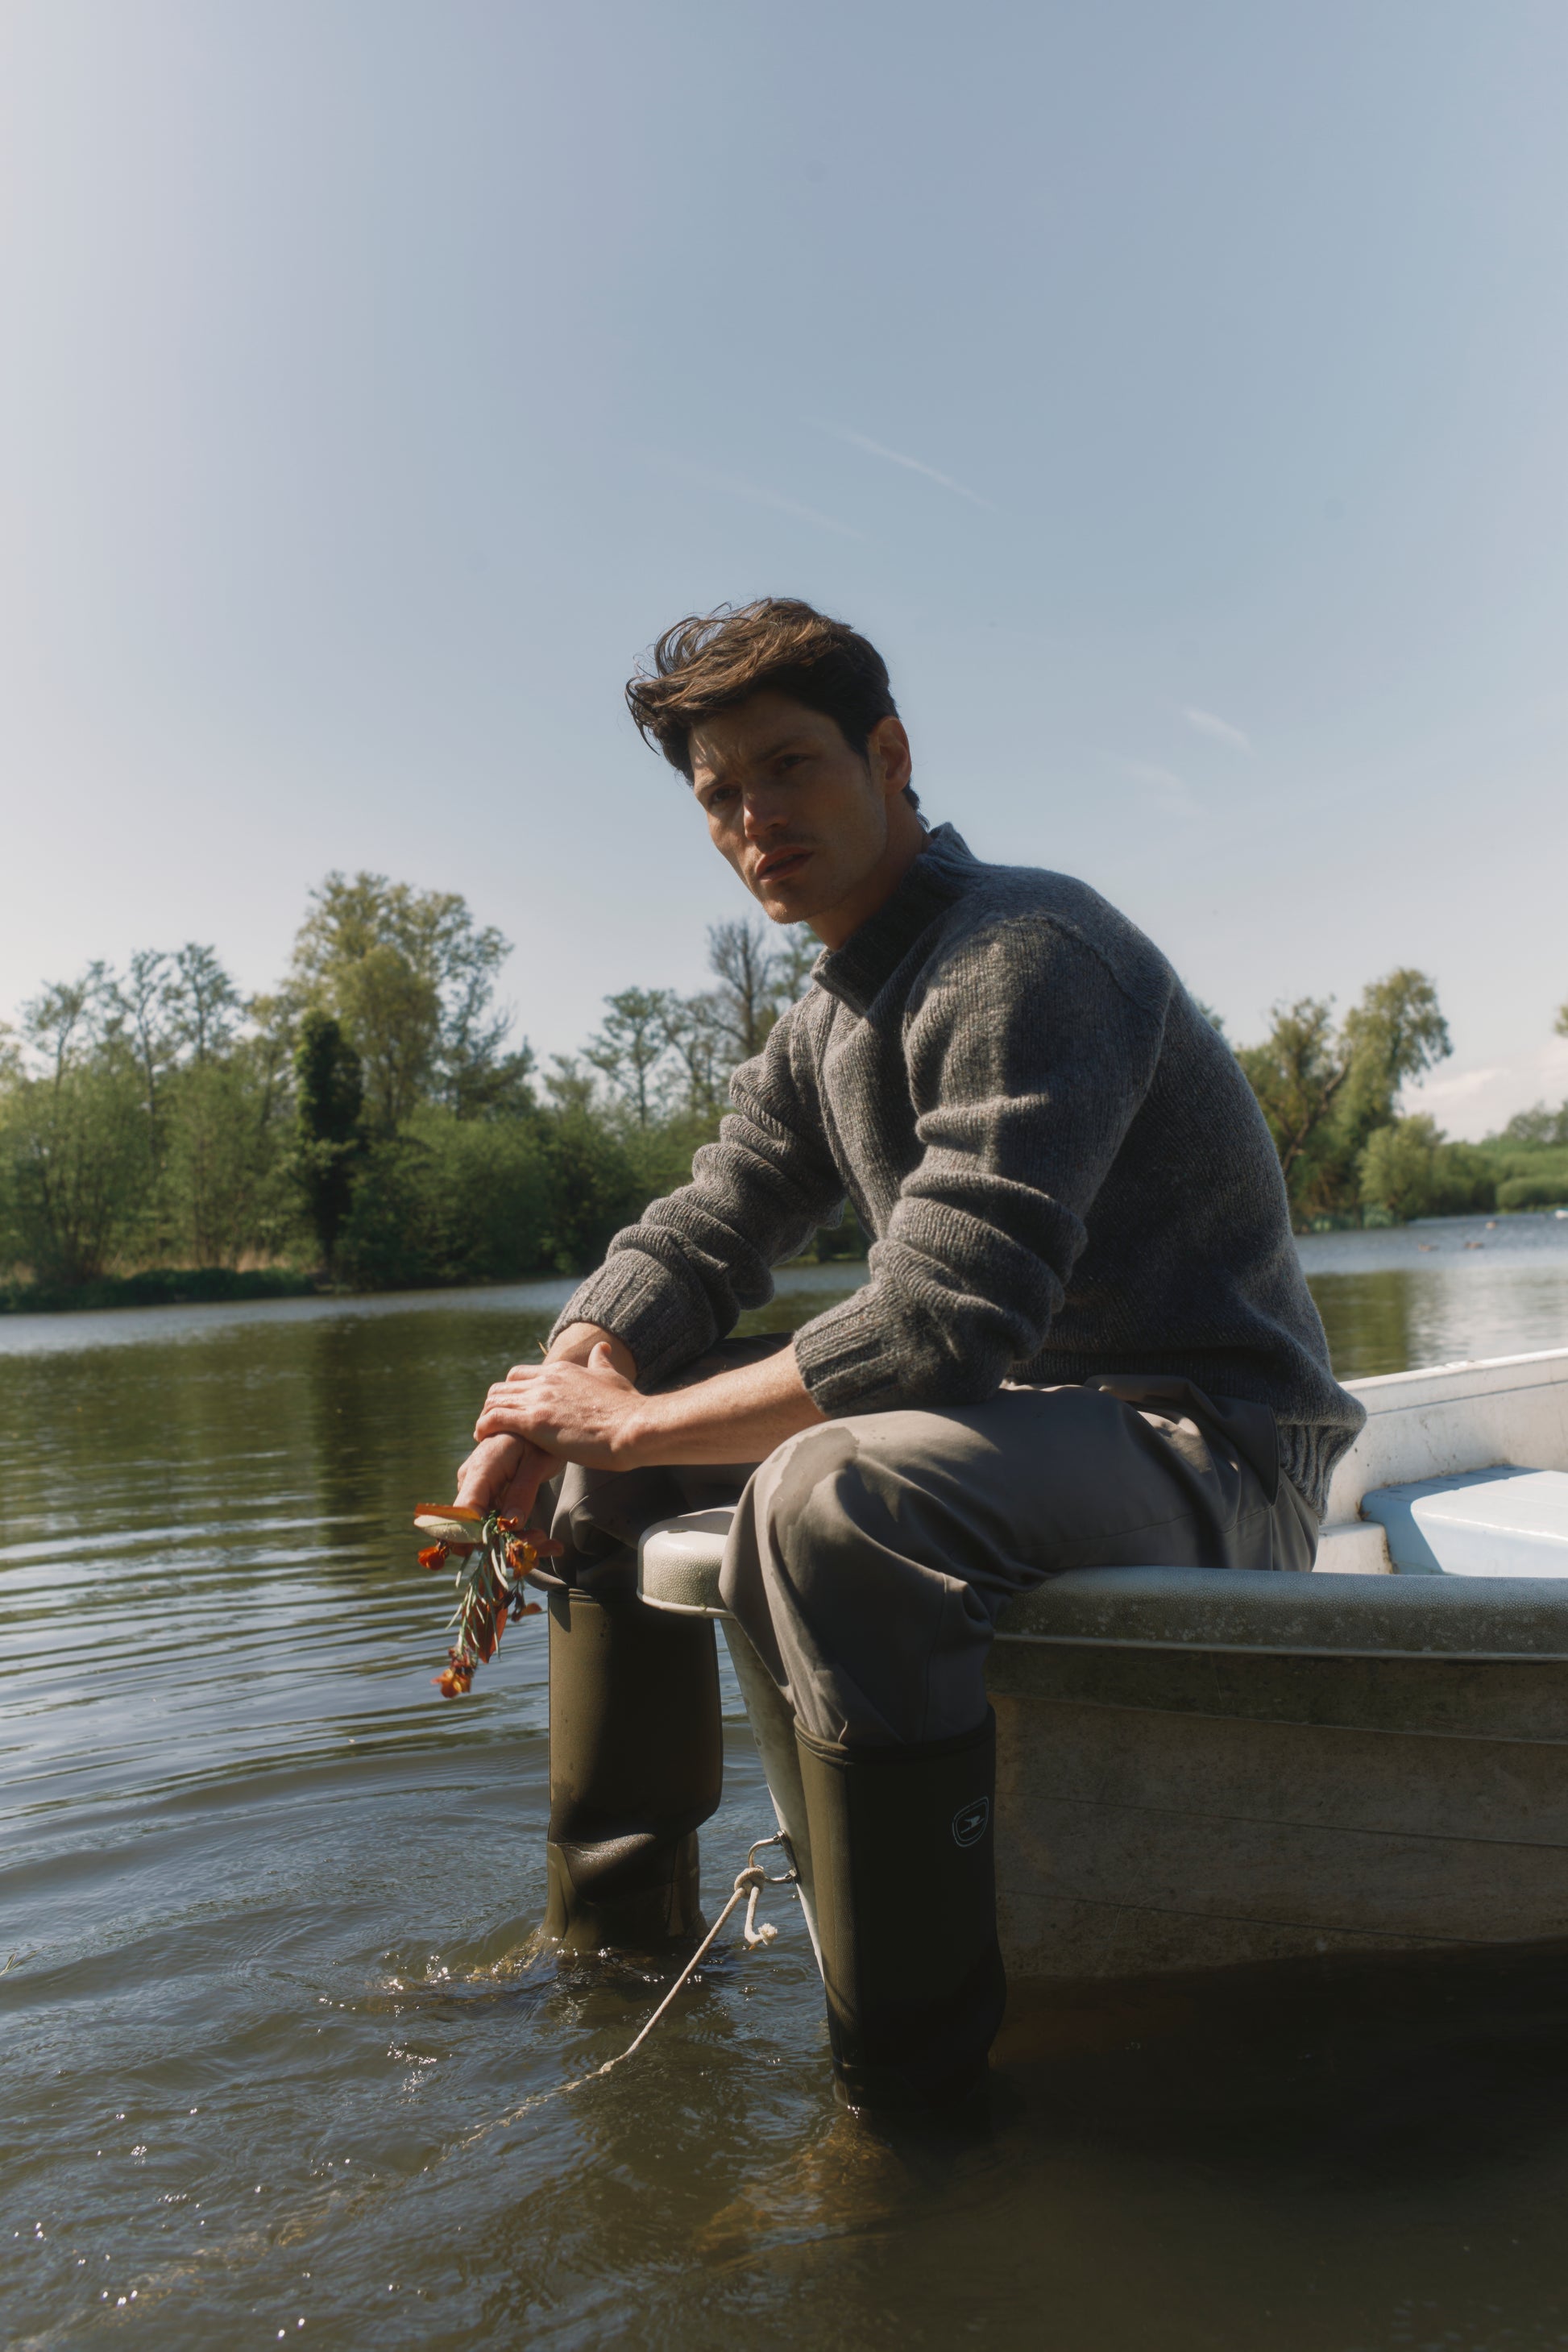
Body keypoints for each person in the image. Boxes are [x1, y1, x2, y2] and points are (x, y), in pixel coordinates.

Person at [456, 597, 1364, 2113]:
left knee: (830, 1498)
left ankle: (908, 2101)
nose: (756, 819)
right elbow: (701, 1226)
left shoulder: (1025, 951)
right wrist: (565, 1394)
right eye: (718, 796)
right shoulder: (829, 1015)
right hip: (1028, 1443)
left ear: (888, 756)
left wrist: (637, 1423)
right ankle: (610, 1953)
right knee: (608, 1484)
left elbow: (950, 1312)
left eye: (790, 768)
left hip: (1214, 1449)